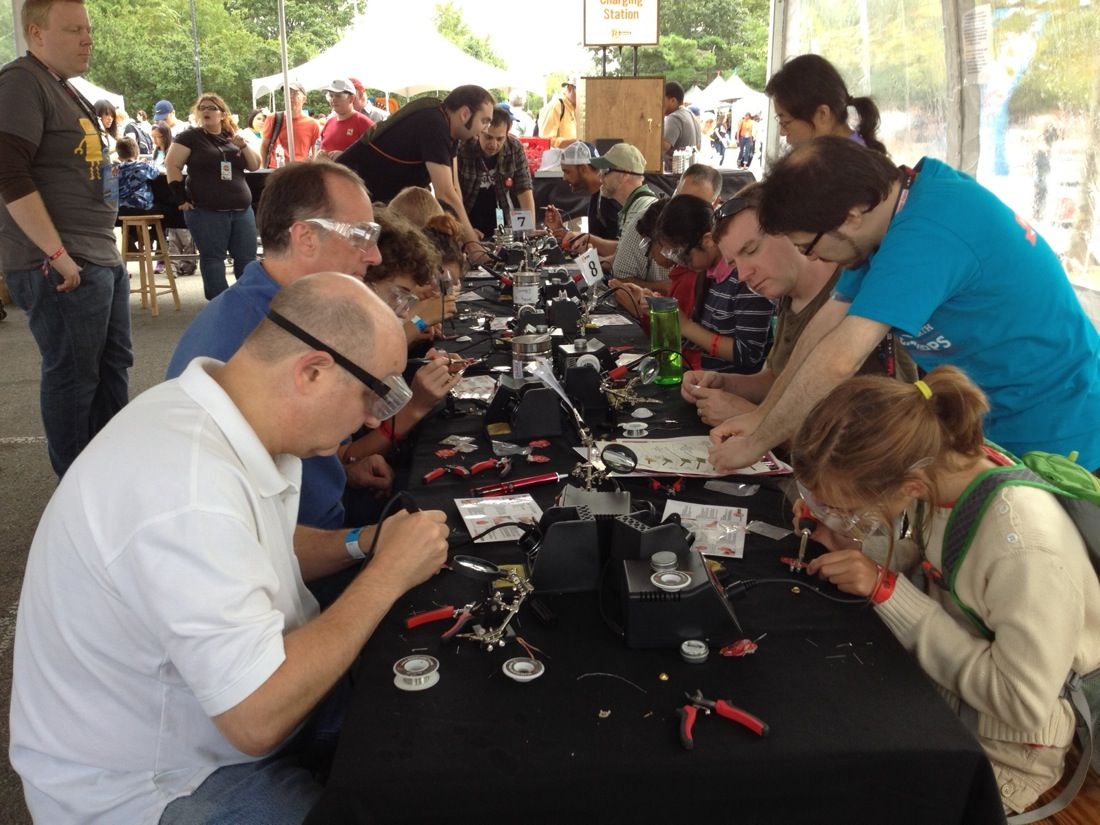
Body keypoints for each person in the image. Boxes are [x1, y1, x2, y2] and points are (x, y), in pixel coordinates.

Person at [11, 271, 452, 824]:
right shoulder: (187, 489)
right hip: (156, 785)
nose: (372, 419)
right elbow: (256, 718)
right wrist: (388, 573)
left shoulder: (219, 412)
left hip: (210, 723)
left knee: (427, 725)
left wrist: (365, 541)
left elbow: (256, 548)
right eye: (377, 393)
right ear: (312, 372)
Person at [791, 366, 1100, 816]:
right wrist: (856, 545)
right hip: (946, 690)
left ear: (909, 486)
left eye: (849, 509)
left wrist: (885, 589)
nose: (844, 516)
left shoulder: (1026, 548)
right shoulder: (949, 468)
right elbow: (945, 565)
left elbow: (1020, 702)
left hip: (1009, 748)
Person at [709, 137, 1100, 473]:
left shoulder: (927, 233)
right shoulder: (888, 219)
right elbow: (825, 328)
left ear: (851, 217)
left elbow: (839, 359)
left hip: (1058, 429)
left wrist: (758, 442)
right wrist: (760, 419)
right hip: (991, 421)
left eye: (807, 245)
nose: (812, 258)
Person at [166, 161, 395, 526]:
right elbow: (282, 537)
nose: (375, 255)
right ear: (305, 237)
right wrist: (365, 546)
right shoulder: (260, 335)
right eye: (361, 236)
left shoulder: (272, 307)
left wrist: (342, 468)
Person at [0, 0, 132, 478]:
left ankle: (108, 475)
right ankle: (79, 490)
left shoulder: (61, 87)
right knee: (75, 374)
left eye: (88, 29)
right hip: (62, 261)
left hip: (93, 253)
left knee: (111, 365)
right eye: (73, 29)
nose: (87, 39)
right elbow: (9, 173)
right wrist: (57, 255)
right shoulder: (20, 81)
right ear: (35, 33)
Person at [682, 183, 915, 425]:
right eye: (733, 264)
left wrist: (752, 418)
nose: (742, 274)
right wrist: (725, 383)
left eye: (751, 250)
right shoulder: (788, 295)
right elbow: (780, 379)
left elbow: (874, 438)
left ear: (791, 231)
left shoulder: (857, 296)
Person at [337, 84, 495, 255]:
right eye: (484, 121)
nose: (485, 128)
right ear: (465, 114)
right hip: (344, 196)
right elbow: (446, 194)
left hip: (370, 200)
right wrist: (472, 245)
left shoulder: (449, 128)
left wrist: (466, 235)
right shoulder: (434, 123)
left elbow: (454, 189)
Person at [653, 194, 775, 372]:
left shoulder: (746, 280)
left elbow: (748, 354)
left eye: (683, 254)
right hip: (710, 380)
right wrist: (665, 317)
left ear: (708, 241)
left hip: (737, 388)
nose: (680, 262)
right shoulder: (708, 276)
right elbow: (699, 341)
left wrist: (686, 326)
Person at [165, 92, 261, 301]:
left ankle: (247, 302)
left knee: (247, 259)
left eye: (211, 107)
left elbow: (254, 165)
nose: (206, 111)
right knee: (213, 259)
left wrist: (242, 145)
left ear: (222, 113)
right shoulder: (190, 137)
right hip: (207, 211)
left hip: (241, 210)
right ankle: (220, 304)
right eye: (202, 108)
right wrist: (180, 197)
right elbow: (172, 164)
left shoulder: (231, 138)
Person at [765, 53, 887, 153]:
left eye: (785, 122)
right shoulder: (849, 152)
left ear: (822, 114)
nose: (782, 132)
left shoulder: (844, 167)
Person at [457, 106, 536, 239]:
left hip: (503, 217)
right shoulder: (462, 148)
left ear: (507, 132)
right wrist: (464, 230)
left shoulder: (514, 147)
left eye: (500, 139)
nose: (493, 144)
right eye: (488, 137)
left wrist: (528, 230)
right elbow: (453, 193)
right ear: (479, 131)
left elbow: (523, 190)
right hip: (468, 215)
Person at [543, 141, 620, 244]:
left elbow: (620, 249)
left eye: (567, 172)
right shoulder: (597, 195)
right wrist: (562, 232)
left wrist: (581, 238)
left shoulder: (609, 199)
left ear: (583, 168)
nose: (564, 178)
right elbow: (596, 245)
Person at [260, 81, 321, 167]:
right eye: (287, 94)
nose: (290, 97)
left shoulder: (313, 124)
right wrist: (263, 169)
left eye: (295, 94)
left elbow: (316, 150)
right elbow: (264, 146)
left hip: (299, 170)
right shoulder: (273, 118)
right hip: (276, 169)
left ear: (304, 99)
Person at [319, 78, 373, 158]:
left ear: (351, 98)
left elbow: (375, 156)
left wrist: (347, 157)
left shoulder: (364, 123)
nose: (333, 100)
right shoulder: (329, 122)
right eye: (331, 96)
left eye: (338, 96)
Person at [662, 81, 701, 172]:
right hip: (689, 172)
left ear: (673, 100)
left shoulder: (674, 117)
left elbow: (663, 147)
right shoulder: (690, 114)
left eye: (662, 100)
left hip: (675, 176)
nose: (660, 104)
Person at [538, 78, 578, 148]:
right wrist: (576, 143)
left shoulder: (575, 108)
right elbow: (546, 140)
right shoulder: (556, 106)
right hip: (556, 158)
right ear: (570, 88)